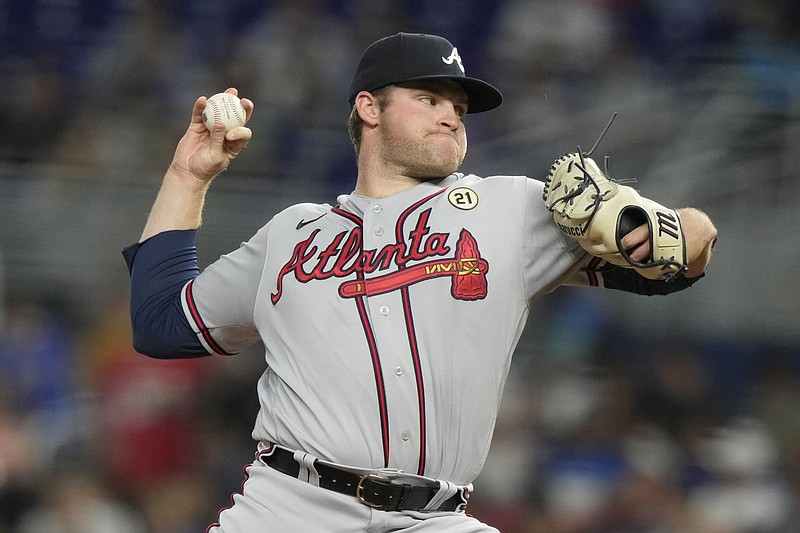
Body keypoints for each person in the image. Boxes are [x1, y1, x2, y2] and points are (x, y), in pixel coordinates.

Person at [123, 32, 717, 532]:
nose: (451, 115)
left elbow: (683, 257)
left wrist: (649, 228)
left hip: (436, 517)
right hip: (289, 509)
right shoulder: (290, 234)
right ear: (369, 107)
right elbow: (160, 323)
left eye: (458, 107)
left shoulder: (512, 208)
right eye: (429, 98)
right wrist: (188, 174)